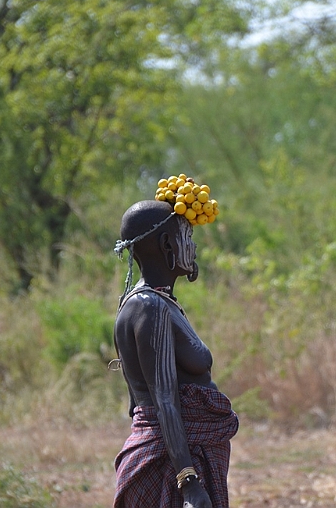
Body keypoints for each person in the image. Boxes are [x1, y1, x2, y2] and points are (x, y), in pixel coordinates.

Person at [111, 192, 239, 508]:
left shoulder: (155, 303)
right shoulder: (149, 307)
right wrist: (188, 481)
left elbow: (135, 405)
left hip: (169, 455)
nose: (193, 247)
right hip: (173, 467)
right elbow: (163, 399)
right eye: (187, 237)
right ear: (168, 245)